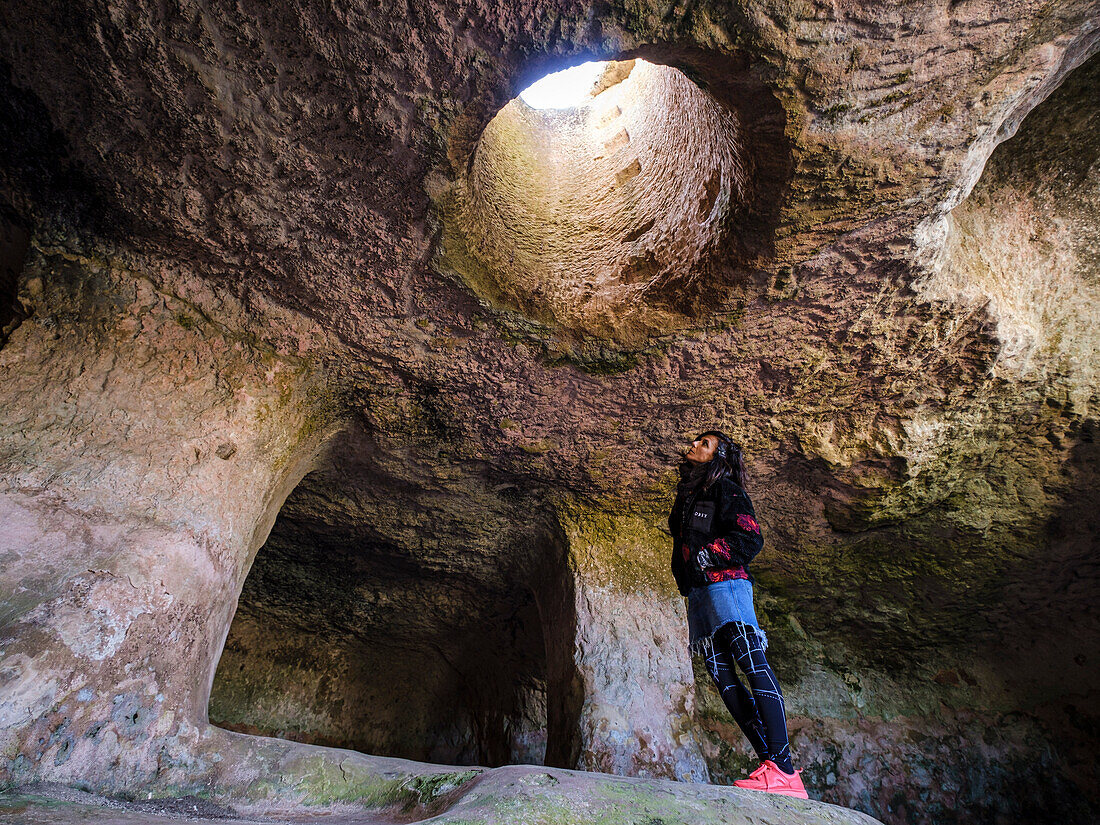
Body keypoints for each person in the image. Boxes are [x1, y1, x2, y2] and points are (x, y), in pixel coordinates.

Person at [669, 431, 808, 798]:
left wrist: (707, 555)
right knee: (723, 678)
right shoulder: (689, 495)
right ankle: (771, 765)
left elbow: (750, 538)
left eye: (705, 444)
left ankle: (784, 769)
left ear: (719, 458)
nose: (695, 445)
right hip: (701, 594)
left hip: (727, 586)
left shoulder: (727, 488)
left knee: (751, 661)